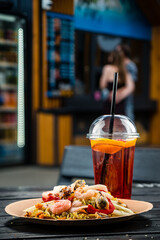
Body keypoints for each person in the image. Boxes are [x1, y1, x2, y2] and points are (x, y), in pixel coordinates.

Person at [99, 50, 135, 116]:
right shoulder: (124, 70)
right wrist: (120, 95)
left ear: (112, 57)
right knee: (119, 123)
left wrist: (115, 95)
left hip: (110, 103)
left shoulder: (107, 68)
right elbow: (131, 87)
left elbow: (102, 85)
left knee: (109, 123)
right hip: (121, 104)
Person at [116, 43, 138, 121]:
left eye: (119, 51)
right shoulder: (118, 65)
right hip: (119, 95)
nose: (117, 53)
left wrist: (120, 93)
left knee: (128, 116)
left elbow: (131, 85)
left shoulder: (130, 65)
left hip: (126, 96)